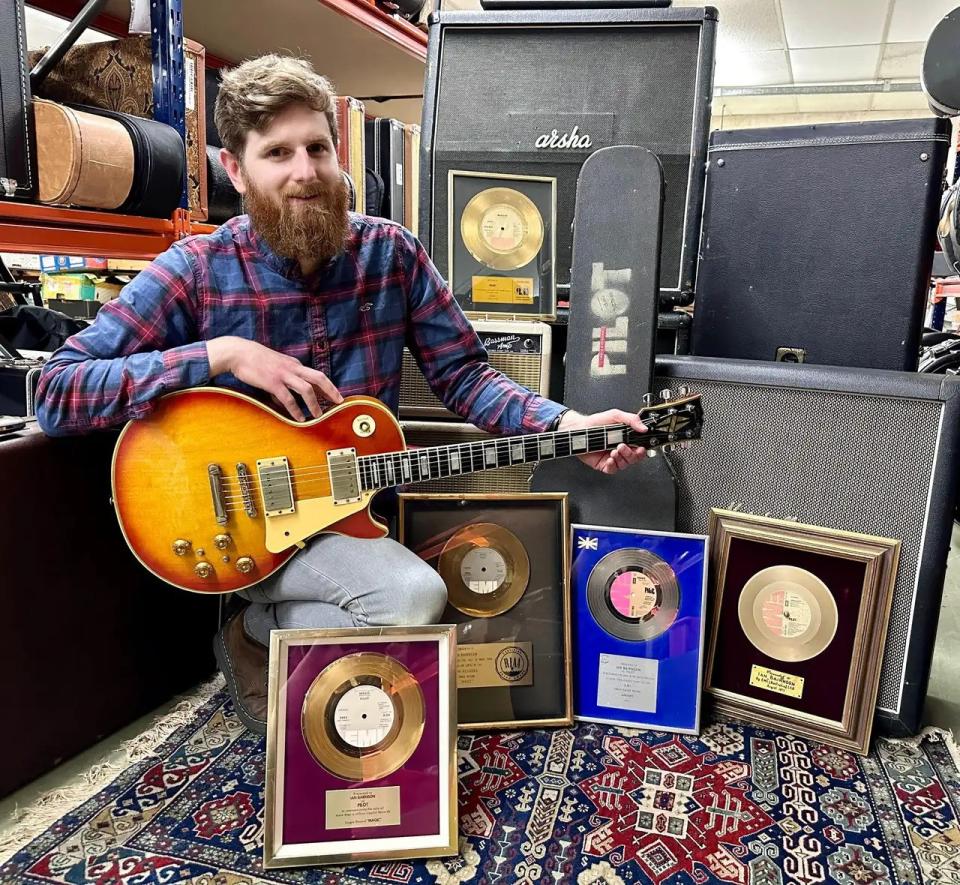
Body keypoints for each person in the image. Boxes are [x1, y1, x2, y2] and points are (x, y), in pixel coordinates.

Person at [35, 54, 648, 733]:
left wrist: (569, 425)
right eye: (277, 153)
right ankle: (260, 617)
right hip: (236, 527)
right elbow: (58, 392)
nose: (305, 171)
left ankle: (259, 629)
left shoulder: (394, 253)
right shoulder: (195, 269)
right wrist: (220, 354)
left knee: (419, 605)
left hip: (355, 519)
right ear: (236, 170)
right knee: (415, 599)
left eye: (317, 147)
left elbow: (467, 377)